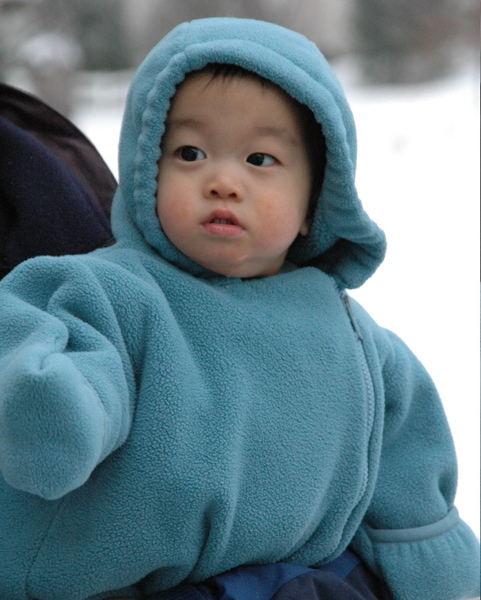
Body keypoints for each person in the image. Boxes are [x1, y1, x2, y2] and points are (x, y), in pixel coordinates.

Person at [0, 17, 478, 600]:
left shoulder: (354, 341)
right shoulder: (112, 291)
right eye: (191, 152)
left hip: (286, 579)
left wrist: (437, 574)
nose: (223, 181)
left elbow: (409, 487)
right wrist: (53, 405)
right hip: (96, 581)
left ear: (313, 204)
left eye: (260, 159)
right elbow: (31, 335)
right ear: (148, 173)